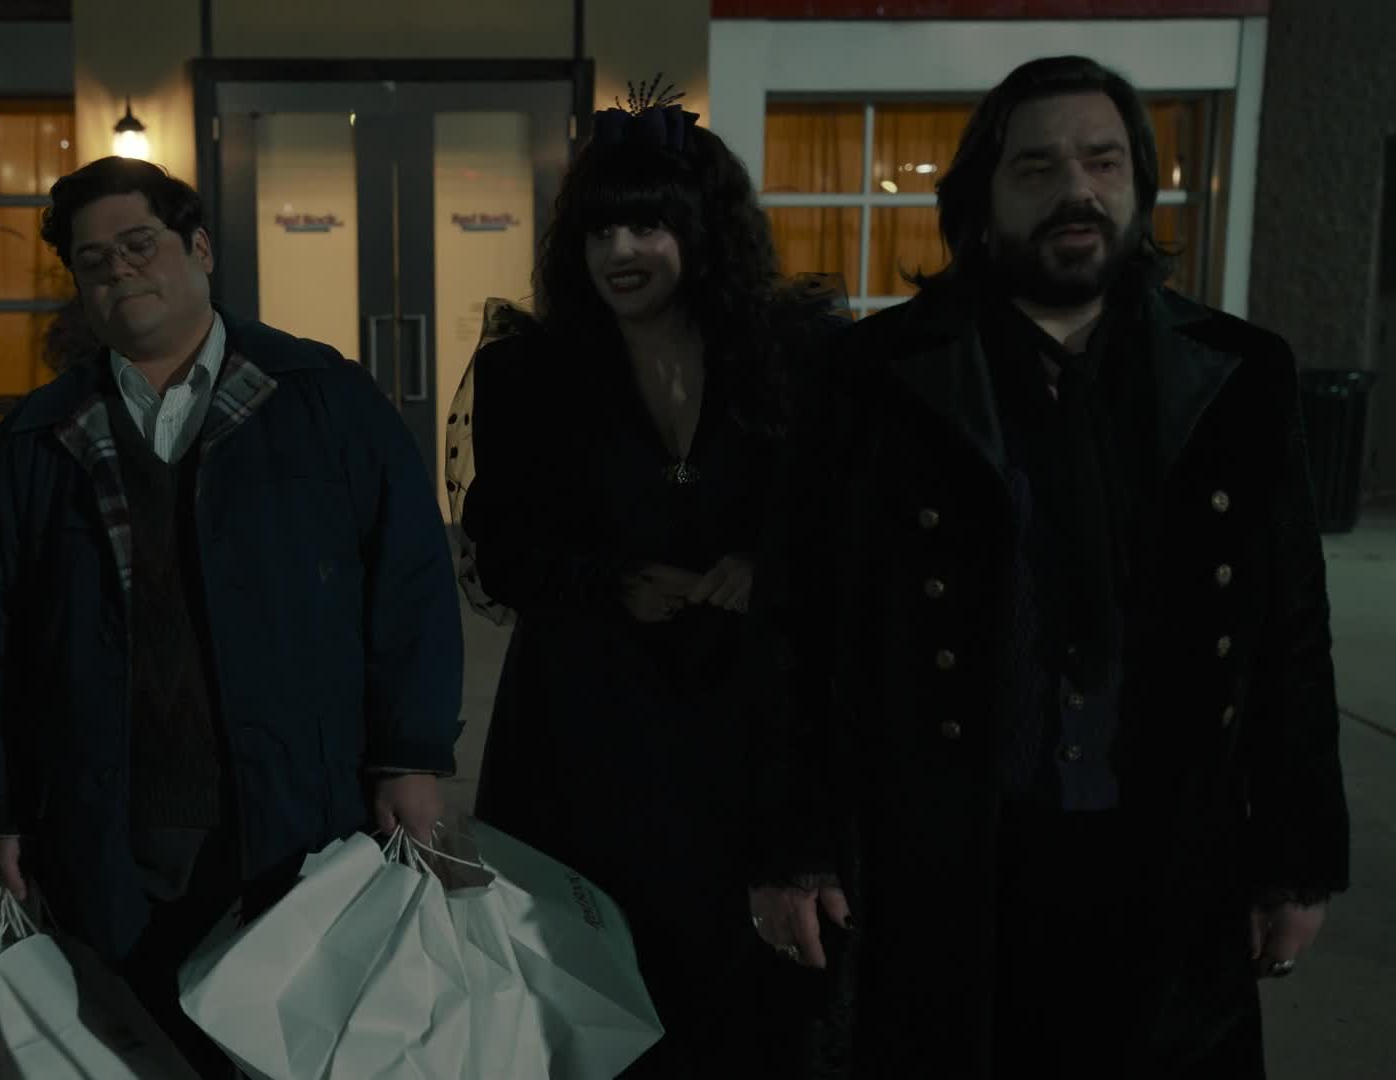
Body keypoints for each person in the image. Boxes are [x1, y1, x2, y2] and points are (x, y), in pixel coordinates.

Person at [751, 55, 1351, 1079]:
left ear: (1139, 186)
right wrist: (791, 849)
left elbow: (1289, 630)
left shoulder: (1241, 374)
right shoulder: (872, 379)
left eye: (1103, 161)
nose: (1077, 189)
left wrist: (1295, 861)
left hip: (1169, 862)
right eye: (1037, 167)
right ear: (982, 200)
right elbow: (797, 626)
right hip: (950, 859)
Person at [0, 156, 465, 1078]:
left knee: (294, 1044)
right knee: (133, 1048)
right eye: (93, 260)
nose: (119, 272)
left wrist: (411, 756)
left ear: (200, 248)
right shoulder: (35, 440)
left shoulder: (322, 398)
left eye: (139, 245)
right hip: (107, 821)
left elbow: (411, 584)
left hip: (299, 808)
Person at [445, 81, 846, 1075]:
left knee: (755, 1004)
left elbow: (851, 522)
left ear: (703, 233)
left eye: (648, 227)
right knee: (596, 1002)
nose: (619, 252)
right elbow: (501, 550)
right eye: (598, 231)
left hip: (749, 728)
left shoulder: (794, 355)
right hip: (588, 733)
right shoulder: (531, 373)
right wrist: (610, 582)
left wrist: (766, 567)